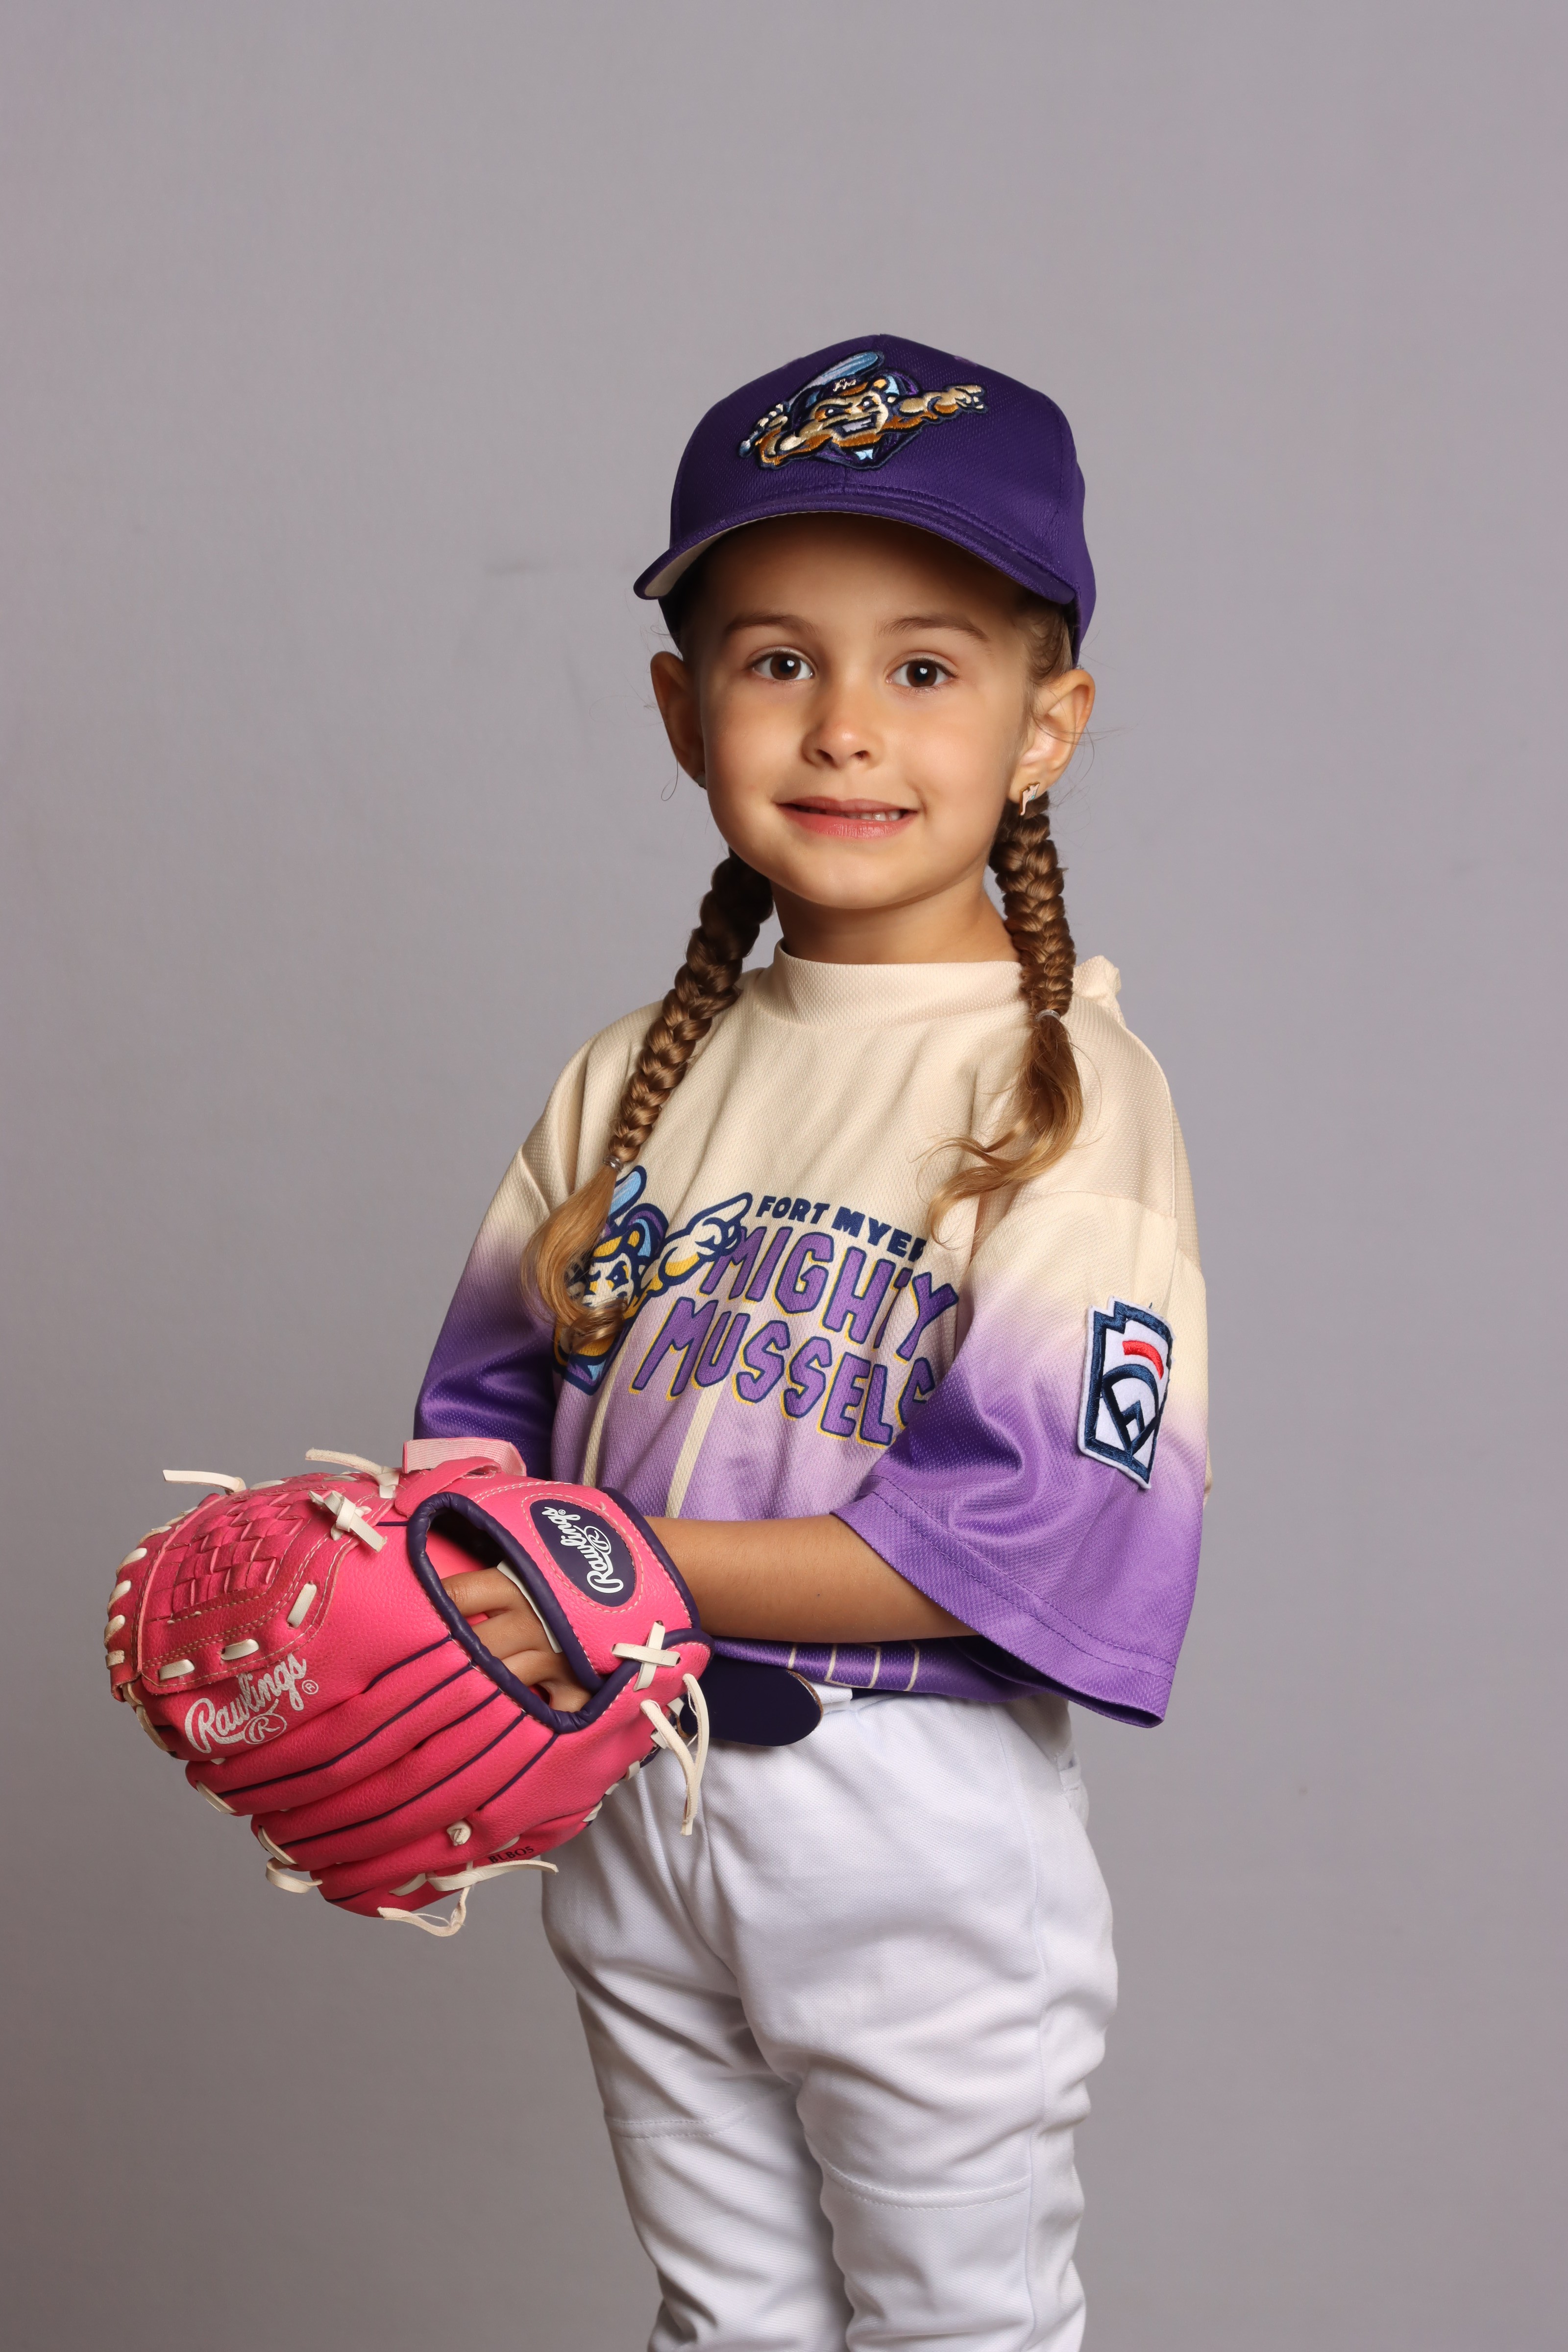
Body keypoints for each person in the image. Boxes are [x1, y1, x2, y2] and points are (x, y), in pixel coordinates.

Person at [416, 336, 1208, 2352]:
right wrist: (420, 1618)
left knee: (958, 2327)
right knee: (725, 2322)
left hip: (904, 1811)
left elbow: (1020, 1534)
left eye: (926, 668)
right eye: (778, 660)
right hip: (638, 1781)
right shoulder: (630, 1074)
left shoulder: (1062, 1090)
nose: (846, 724)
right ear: (684, 711)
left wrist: (603, 1568)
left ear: (1046, 725)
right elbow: (477, 1423)